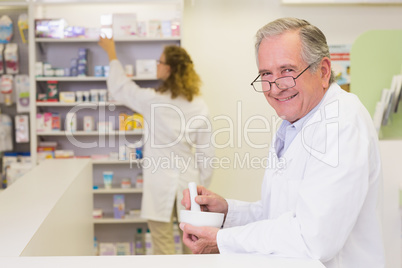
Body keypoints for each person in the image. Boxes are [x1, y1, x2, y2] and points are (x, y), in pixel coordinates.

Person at [180, 17, 384, 268]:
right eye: (266, 74)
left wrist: (222, 240)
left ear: (323, 71)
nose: (275, 87)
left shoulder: (341, 123)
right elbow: (280, 215)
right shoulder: (294, 122)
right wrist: (226, 212)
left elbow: (312, 239)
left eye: (287, 71)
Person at [98, 36, 214, 255]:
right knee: (194, 246)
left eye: (160, 62)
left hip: (159, 182)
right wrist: (202, 188)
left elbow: (121, 88)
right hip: (189, 185)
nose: (157, 65)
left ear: (169, 69)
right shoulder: (199, 105)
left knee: (162, 246)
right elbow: (207, 155)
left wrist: (111, 54)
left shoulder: (153, 100)